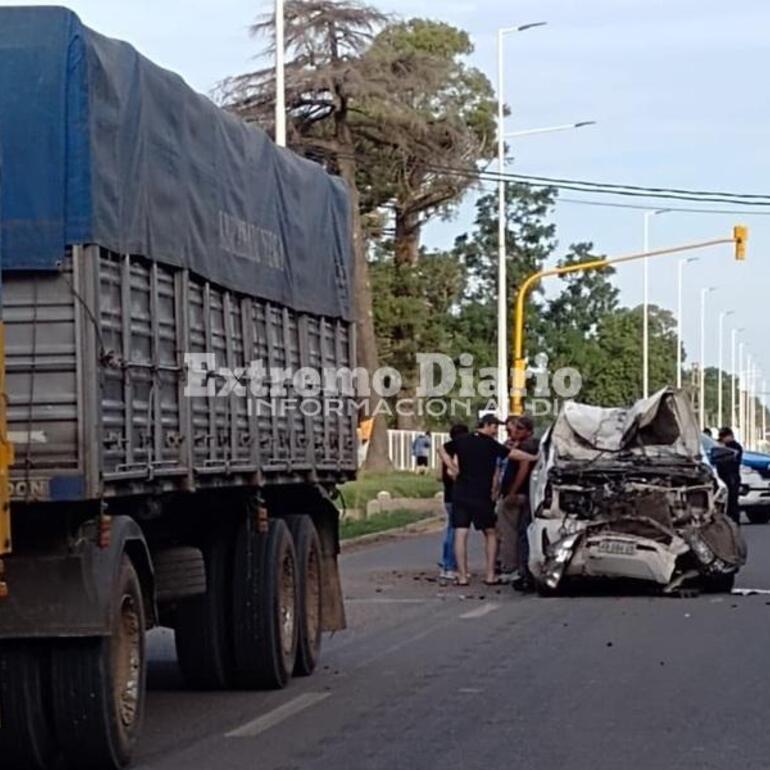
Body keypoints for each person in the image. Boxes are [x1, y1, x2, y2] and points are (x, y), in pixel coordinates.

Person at [439, 415, 537, 586]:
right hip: (481, 495)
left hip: (460, 493)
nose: (496, 431)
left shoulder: (462, 440)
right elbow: (513, 454)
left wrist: (452, 466)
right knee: (491, 533)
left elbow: (441, 449)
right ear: (487, 425)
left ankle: (462, 576)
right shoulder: (489, 443)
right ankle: (490, 575)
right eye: (495, 427)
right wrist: (534, 458)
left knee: (460, 534)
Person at [497, 416, 540, 586]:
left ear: (528, 431)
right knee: (523, 531)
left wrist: (512, 492)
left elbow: (522, 468)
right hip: (529, 495)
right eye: (511, 430)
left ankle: (511, 568)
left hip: (518, 495)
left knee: (509, 532)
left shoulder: (526, 446)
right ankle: (522, 568)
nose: (514, 432)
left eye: (518, 429)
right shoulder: (534, 445)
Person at [438, 424, 469, 580]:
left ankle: (447, 563)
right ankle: (449, 565)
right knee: (454, 530)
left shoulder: (446, 449)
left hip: (448, 495)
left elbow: (440, 473)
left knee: (450, 529)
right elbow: (453, 472)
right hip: (457, 494)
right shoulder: (458, 450)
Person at [717, 427, 744, 525]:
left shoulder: (735, 447)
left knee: (732, 501)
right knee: (725, 500)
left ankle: (734, 520)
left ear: (730, 436)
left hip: (732, 476)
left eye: (724, 437)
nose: (723, 440)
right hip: (723, 476)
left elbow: (733, 460)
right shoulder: (722, 446)